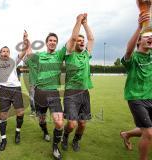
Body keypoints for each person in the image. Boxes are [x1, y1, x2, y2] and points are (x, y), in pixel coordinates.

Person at [25, 30, 75, 159]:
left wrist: (79, 21)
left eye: (55, 41)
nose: (52, 42)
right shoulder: (40, 55)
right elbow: (29, 54)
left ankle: (55, 147)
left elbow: (72, 40)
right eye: (50, 40)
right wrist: (27, 41)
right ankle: (45, 132)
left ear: (56, 44)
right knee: (41, 118)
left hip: (53, 93)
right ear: (46, 43)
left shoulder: (59, 55)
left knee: (59, 123)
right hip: (39, 93)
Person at [0, 30, 29, 151]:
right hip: (3, 90)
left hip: (16, 89)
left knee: (20, 113)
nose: (5, 53)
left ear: (9, 53)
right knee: (3, 116)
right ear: (0, 53)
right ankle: (3, 139)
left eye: (7, 51)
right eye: (3, 51)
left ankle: (17, 132)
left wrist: (25, 39)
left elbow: (24, 51)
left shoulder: (14, 60)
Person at [61, 13, 94, 152]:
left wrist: (86, 23)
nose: (81, 41)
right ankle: (65, 136)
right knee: (72, 123)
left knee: (82, 123)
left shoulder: (86, 54)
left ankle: (76, 141)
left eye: (83, 40)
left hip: (84, 92)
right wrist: (79, 21)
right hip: (71, 93)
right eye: (79, 40)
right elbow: (73, 38)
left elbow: (91, 38)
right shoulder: (69, 54)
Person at [121, 12, 152, 160]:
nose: (150, 38)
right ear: (139, 42)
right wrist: (140, 26)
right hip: (136, 98)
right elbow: (128, 51)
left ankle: (126, 134)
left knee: (146, 129)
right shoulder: (132, 59)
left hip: (150, 97)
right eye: (146, 37)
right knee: (149, 133)